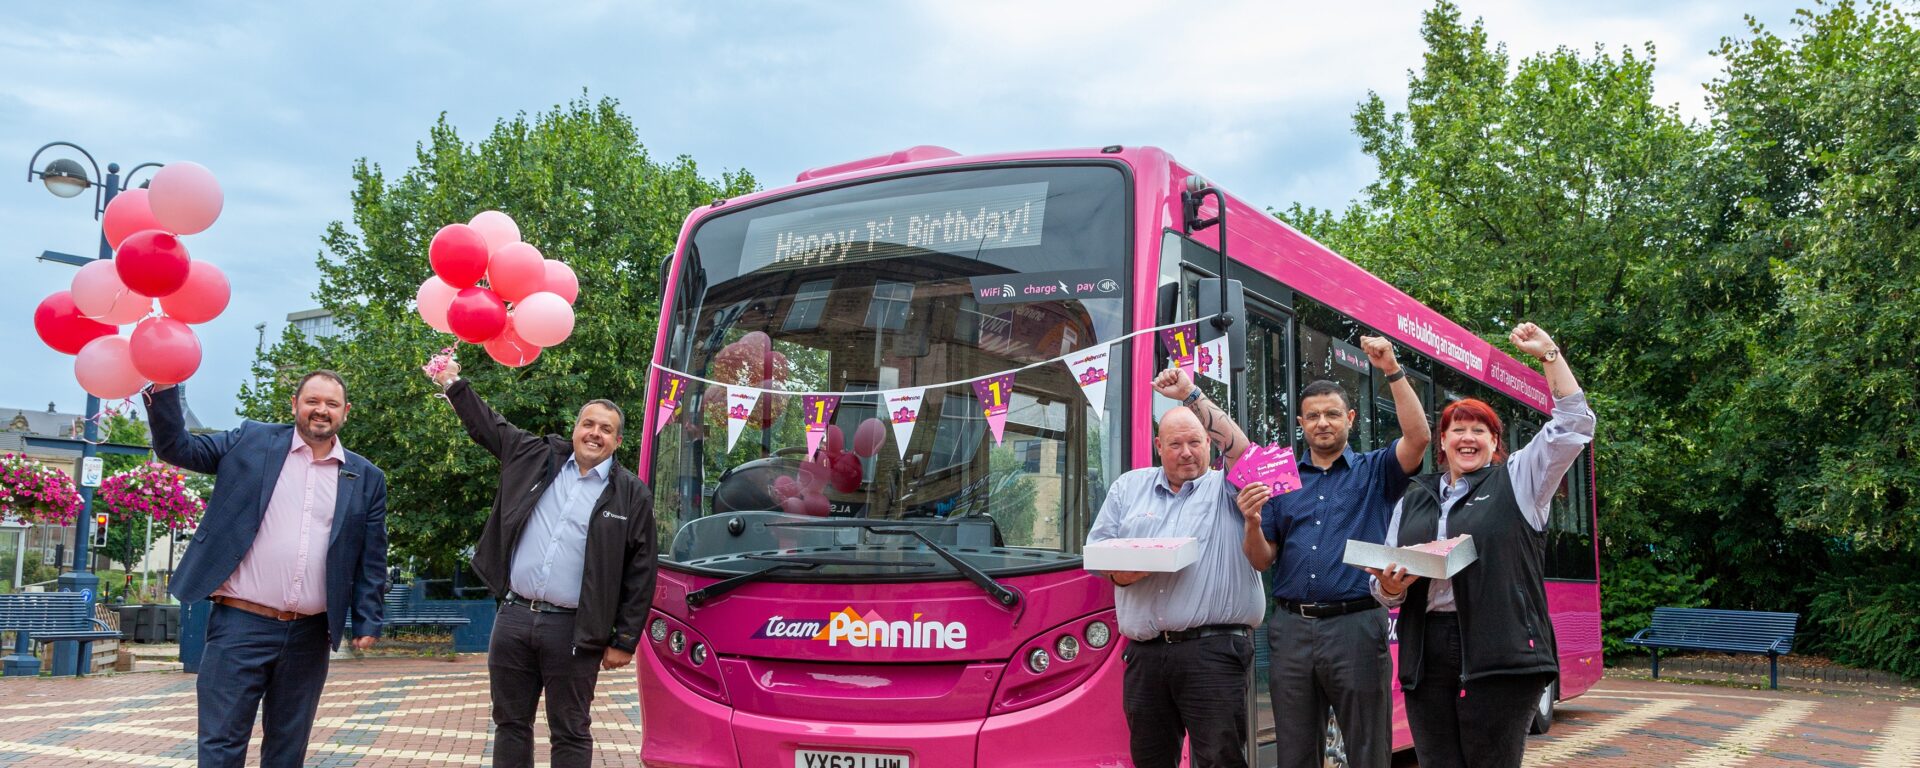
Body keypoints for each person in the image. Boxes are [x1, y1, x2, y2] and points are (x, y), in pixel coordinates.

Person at [1365, 323, 1595, 768]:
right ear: (1443, 443)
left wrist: (1549, 353)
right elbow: (1385, 584)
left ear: (1494, 444)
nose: (1467, 438)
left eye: (1479, 431)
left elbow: (1573, 423)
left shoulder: (1520, 480)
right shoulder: (1415, 495)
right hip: (1426, 652)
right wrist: (1390, 588)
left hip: (1500, 652)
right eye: (1457, 430)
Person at [150, 371, 389, 768]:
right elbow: (178, 447)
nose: (321, 411)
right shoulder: (251, 439)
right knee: (222, 743)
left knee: (287, 750)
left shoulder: (365, 477)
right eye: (313, 401)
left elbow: (371, 556)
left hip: (310, 634)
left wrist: (367, 619)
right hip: (240, 625)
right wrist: (162, 387)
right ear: (295, 404)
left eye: (331, 404)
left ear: (346, 412)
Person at [429, 361, 657, 768]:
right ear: (575, 428)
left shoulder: (631, 494)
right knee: (510, 723)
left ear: (618, 441)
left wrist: (624, 640)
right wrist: (453, 383)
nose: (595, 434)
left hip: (574, 628)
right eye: (589, 424)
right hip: (514, 616)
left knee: (570, 730)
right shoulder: (536, 456)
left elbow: (641, 571)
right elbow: (488, 425)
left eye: (606, 429)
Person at [1237, 336, 1429, 768]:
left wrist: (1391, 369)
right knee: (1295, 749)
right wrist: (1251, 521)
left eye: (1332, 414)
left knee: (1367, 748)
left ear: (1350, 418)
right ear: (1301, 423)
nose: (1323, 423)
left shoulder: (1376, 471)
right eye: (1313, 416)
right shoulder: (1280, 477)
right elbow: (1261, 559)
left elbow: (1418, 437)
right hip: (1290, 628)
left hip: (1356, 625)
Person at [1086, 366, 1265, 768]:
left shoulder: (1228, 485)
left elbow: (1241, 450)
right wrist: (1129, 571)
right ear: (1158, 446)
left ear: (1208, 443)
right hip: (1145, 654)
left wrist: (1191, 395)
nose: (1187, 451)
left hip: (1214, 650)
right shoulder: (1127, 487)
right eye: (1176, 444)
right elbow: (1098, 553)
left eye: (1195, 442)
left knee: (1220, 759)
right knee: (1149, 758)